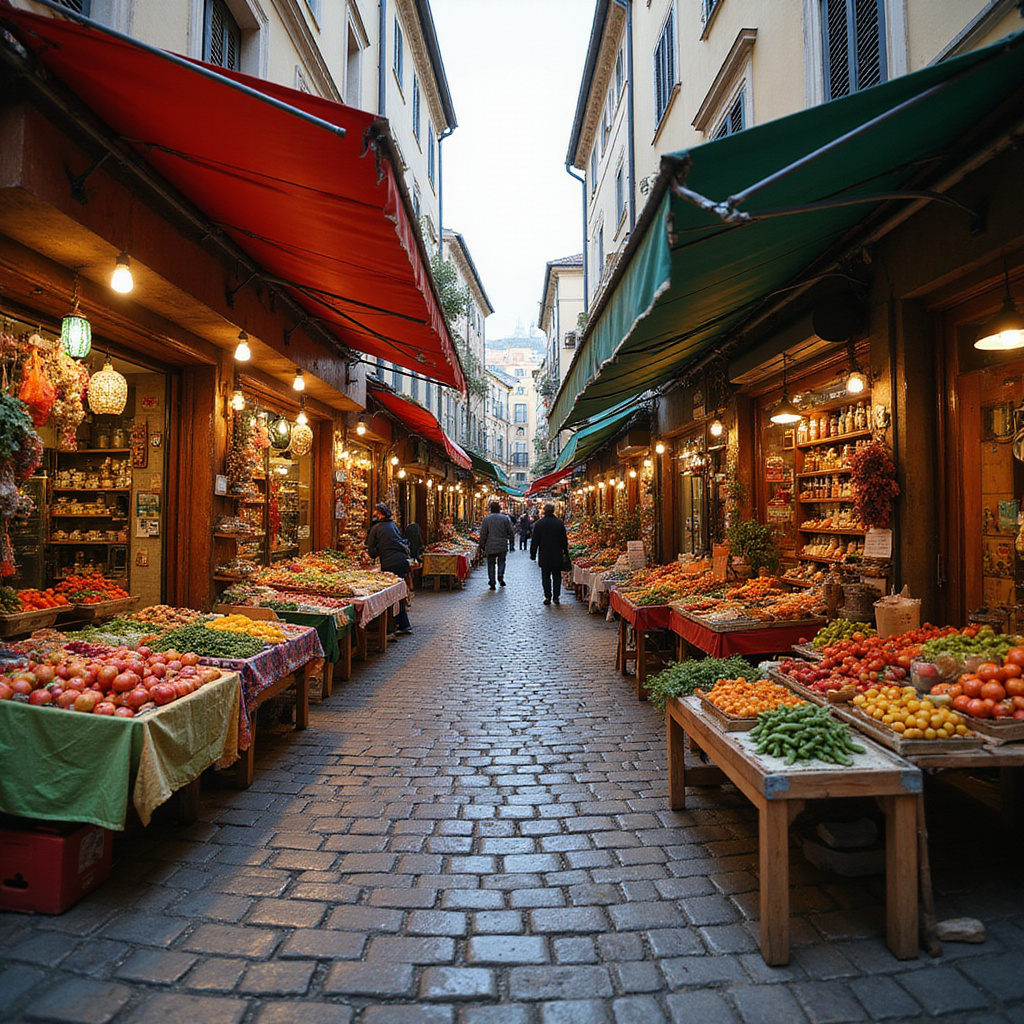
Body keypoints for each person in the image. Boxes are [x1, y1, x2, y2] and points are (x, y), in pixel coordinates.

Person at [366, 503, 413, 634]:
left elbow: (372, 551)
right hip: (402, 562)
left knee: (390, 596)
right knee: (398, 595)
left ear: (378, 514)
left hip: (389, 564)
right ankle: (402, 624)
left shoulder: (376, 528)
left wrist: (379, 550)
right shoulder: (393, 526)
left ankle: (391, 627)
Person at [530, 502, 570, 606]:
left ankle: (547, 596)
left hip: (544, 554)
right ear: (553, 510)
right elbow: (563, 540)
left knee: (545, 576)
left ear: (544, 511)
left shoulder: (539, 524)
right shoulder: (559, 523)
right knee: (557, 576)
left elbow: (535, 540)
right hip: (557, 554)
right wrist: (565, 551)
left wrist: (533, 553)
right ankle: (556, 596)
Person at [478, 500, 514, 589]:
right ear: (499, 509)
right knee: (501, 562)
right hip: (502, 544)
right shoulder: (505, 518)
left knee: (491, 564)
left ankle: (492, 582)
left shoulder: (486, 519)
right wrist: (512, 544)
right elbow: (511, 532)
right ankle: (500, 576)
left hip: (490, 546)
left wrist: (481, 545)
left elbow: (483, 533)